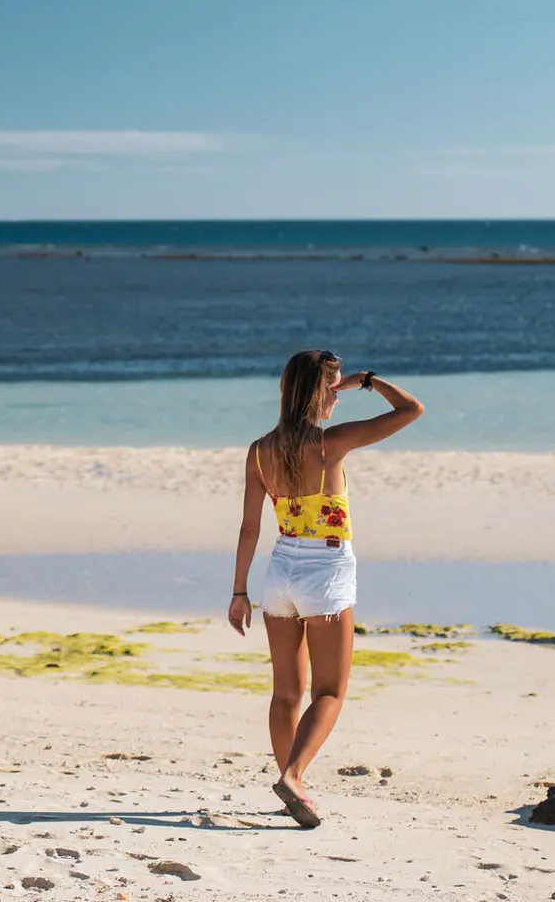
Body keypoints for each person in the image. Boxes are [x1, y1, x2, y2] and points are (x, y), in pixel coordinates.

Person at [226, 349, 423, 829]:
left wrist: (238, 593)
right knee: (330, 692)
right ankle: (293, 776)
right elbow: (412, 410)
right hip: (326, 571)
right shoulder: (329, 444)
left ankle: (291, 785)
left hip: (279, 574)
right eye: (331, 391)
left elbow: (249, 529)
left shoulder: (259, 450)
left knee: (286, 693)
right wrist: (368, 382)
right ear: (322, 391)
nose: (336, 400)